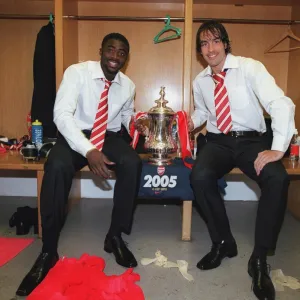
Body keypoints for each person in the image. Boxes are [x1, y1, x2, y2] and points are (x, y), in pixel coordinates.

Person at [16, 33, 142, 297]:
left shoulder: (128, 85)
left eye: (121, 53)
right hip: (76, 134)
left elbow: (126, 117)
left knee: (131, 162)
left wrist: (136, 124)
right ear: (101, 50)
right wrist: (89, 150)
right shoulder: (77, 72)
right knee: (57, 165)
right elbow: (61, 115)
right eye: (111, 50)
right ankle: (48, 250)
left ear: (126, 58)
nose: (115, 57)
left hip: (109, 135)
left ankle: (115, 236)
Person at [188, 21, 295, 300]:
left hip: (250, 140)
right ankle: (223, 242)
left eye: (215, 41)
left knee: (277, 177)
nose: (210, 49)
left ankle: (259, 259)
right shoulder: (199, 81)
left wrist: (279, 149)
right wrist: (187, 122)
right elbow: (203, 112)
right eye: (203, 43)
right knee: (199, 176)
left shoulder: (250, 67)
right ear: (200, 50)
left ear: (225, 43)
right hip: (217, 141)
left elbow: (281, 103)